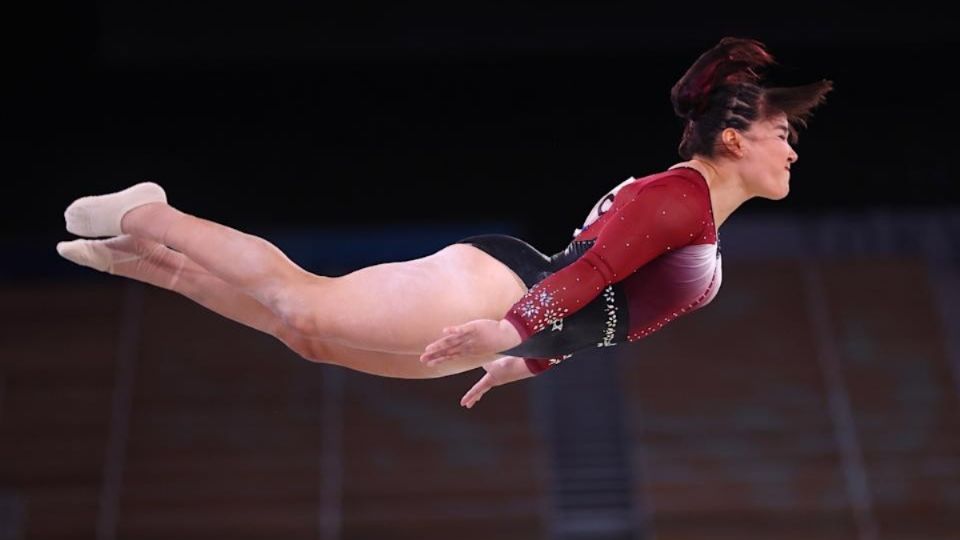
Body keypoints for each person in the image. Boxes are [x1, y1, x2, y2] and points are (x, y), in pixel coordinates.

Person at [56, 37, 832, 408]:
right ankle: (150, 212)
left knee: (305, 337)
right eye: (782, 134)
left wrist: (527, 358)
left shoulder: (702, 233)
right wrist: (513, 330)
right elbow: (587, 272)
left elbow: (614, 315)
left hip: (514, 318)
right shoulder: (676, 197)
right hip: (496, 291)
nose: (793, 151)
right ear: (734, 139)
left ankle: (141, 258)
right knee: (302, 301)